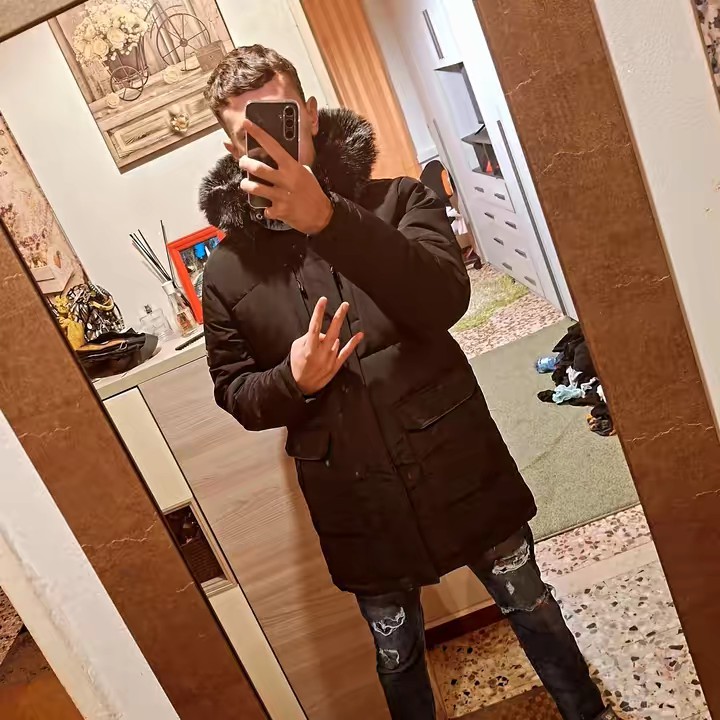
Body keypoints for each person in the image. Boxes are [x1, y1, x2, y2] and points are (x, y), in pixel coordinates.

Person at [199, 44, 618, 720]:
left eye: (282, 120)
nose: (270, 145)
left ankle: (586, 712)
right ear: (230, 148)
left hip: (456, 457)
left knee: (532, 604)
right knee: (396, 656)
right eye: (250, 135)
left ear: (310, 114)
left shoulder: (398, 199)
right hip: (353, 495)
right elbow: (235, 392)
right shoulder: (226, 272)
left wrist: (331, 221)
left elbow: (445, 298)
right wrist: (292, 381)